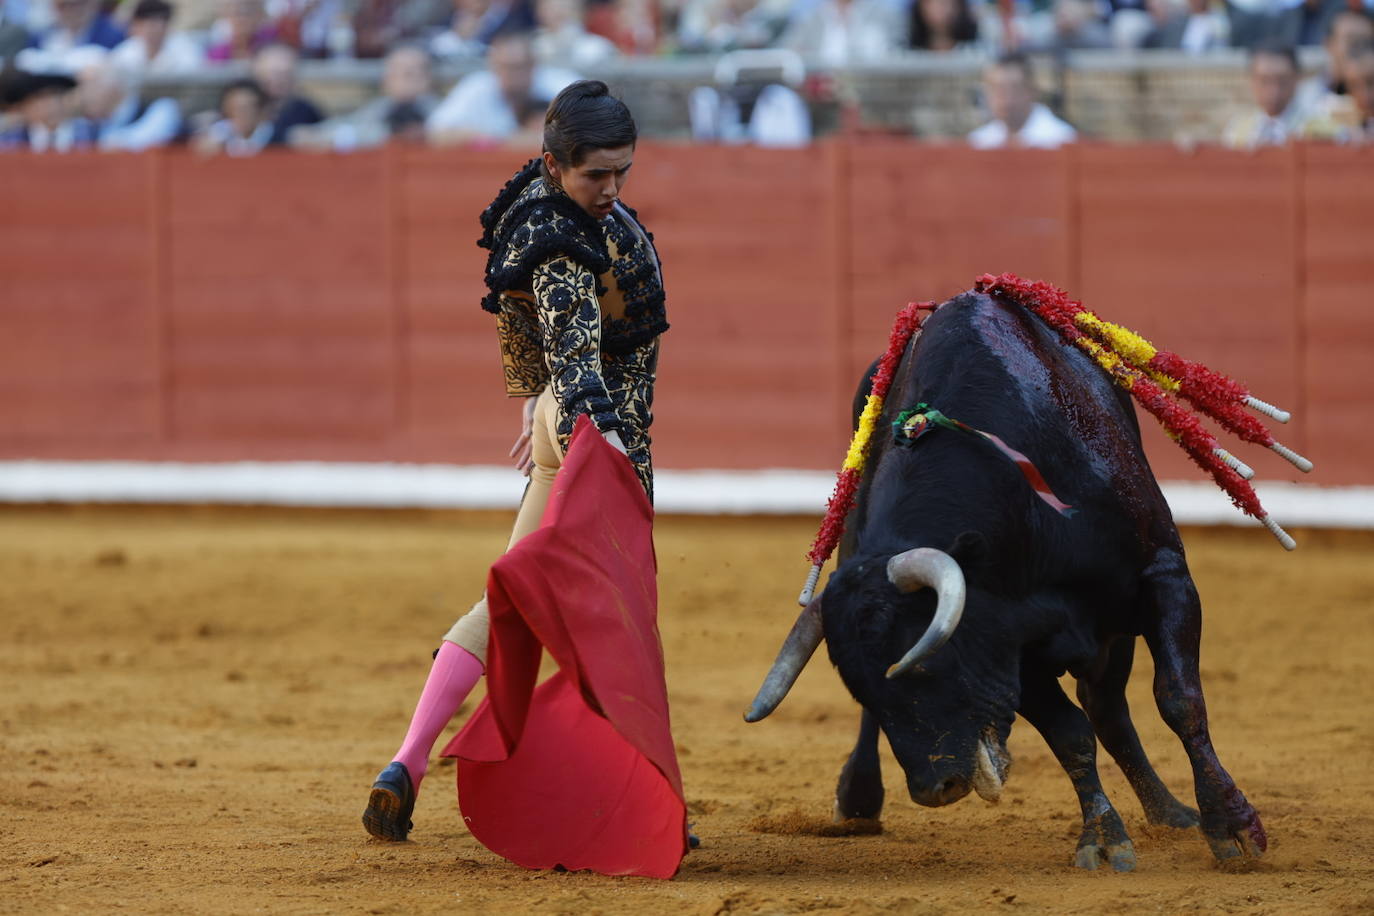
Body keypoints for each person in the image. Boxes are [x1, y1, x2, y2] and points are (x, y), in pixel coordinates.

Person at [362, 78, 668, 845]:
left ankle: (408, 759)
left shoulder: (528, 211)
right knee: (619, 621)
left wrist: (539, 408)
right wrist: (595, 434)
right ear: (556, 163)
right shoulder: (567, 233)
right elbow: (574, 344)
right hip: (602, 431)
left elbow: (518, 324)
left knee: (512, 605)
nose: (611, 187)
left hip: (563, 424)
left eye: (621, 172)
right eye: (596, 173)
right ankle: (634, 801)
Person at [426, 28, 576, 145]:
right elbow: (436, 133)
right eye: (505, 67)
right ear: (493, 66)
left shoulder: (563, 87)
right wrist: (492, 140)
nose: (512, 74)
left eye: (518, 67)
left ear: (533, 65)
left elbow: (590, 133)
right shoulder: (476, 87)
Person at [288, 44, 438, 149]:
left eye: (409, 74)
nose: (399, 80)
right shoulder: (380, 109)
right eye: (393, 74)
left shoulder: (442, 113)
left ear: (427, 78)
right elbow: (344, 126)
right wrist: (315, 135)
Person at [968, 51, 1077, 149]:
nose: (1006, 97)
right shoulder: (979, 141)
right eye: (997, 89)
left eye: (1014, 89)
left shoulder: (1061, 138)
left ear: (1032, 91)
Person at [72, 54, 182, 149]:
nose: (84, 96)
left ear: (113, 86)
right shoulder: (92, 126)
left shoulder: (162, 109)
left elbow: (146, 141)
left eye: (91, 86)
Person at [1221, 42, 1306, 148]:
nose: (1273, 91)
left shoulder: (1314, 127)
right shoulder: (1237, 130)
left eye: (1282, 81)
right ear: (1252, 80)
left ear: (1296, 79)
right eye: (1264, 81)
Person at [251, 41, 323, 143]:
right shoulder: (247, 105)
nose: (278, 81)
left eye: (285, 75)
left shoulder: (305, 111)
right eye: (272, 74)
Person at [109, 0, 206, 73]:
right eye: (144, 25)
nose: (151, 31)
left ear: (166, 25)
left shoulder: (185, 49)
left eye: (154, 25)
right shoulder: (127, 51)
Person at [0, 65, 80, 150]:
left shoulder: (89, 133)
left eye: (57, 96)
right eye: (42, 98)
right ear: (26, 106)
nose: (52, 105)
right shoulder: (10, 140)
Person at [194, 76, 273, 153]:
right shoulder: (218, 132)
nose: (242, 114)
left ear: (260, 109)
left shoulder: (273, 134)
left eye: (247, 108)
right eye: (235, 108)